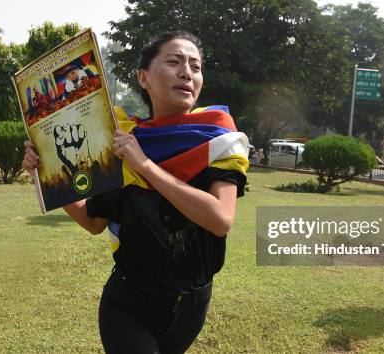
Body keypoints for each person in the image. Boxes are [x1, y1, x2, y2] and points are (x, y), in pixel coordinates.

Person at [22, 31, 248, 353]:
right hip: (128, 306)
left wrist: (145, 165)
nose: (187, 72)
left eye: (195, 67)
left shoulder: (216, 137)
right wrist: (44, 174)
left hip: (191, 307)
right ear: (144, 77)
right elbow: (93, 221)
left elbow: (220, 219)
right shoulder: (122, 139)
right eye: (174, 62)